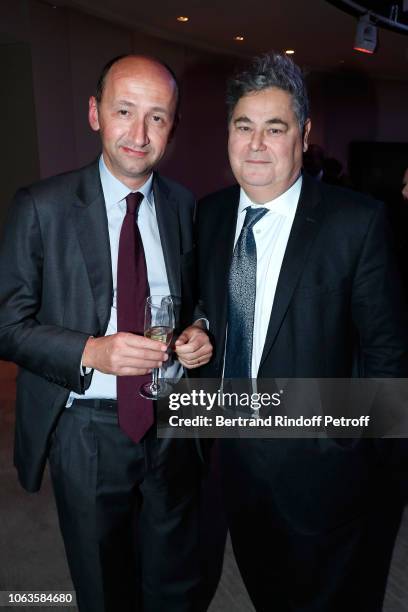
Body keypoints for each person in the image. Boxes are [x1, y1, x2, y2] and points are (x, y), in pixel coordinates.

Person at [196, 52, 408, 611]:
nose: (257, 144)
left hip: (329, 482)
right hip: (236, 470)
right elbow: (207, 308)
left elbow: (389, 358)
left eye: (275, 127)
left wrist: (356, 458)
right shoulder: (210, 216)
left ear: (304, 133)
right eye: (244, 127)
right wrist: (197, 327)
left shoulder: (356, 223)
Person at [0, 54, 212, 612]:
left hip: (172, 419)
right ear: (95, 113)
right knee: (103, 581)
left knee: (173, 576)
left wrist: (198, 330)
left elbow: (196, 300)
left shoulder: (184, 204)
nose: (139, 134)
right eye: (124, 111)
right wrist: (92, 350)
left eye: (157, 117)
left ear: (172, 126)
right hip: (88, 429)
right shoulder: (40, 207)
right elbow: (7, 325)